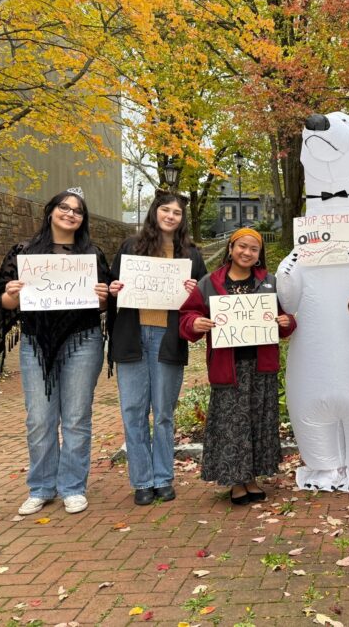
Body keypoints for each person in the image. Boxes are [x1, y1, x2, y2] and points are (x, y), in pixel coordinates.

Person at [0, 188, 110, 516]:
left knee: (75, 417)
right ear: (51, 211)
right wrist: (12, 293)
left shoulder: (91, 255)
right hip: (35, 343)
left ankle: (72, 486)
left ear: (83, 219)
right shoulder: (24, 252)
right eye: (64, 207)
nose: (70, 214)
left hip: (82, 341)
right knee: (40, 419)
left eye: (77, 211)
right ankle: (41, 487)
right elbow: (4, 302)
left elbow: (102, 304)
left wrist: (103, 296)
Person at [179, 228, 295, 505]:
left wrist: (287, 322)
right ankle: (235, 482)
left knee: (257, 421)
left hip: (260, 365)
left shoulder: (269, 282)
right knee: (231, 424)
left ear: (259, 255)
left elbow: (283, 317)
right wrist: (194, 323)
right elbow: (188, 315)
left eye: (253, 249)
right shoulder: (209, 282)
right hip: (228, 366)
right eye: (242, 246)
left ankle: (252, 477)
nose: (247, 252)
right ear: (231, 249)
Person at [107, 191, 207, 505]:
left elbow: (202, 300)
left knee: (163, 413)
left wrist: (195, 291)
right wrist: (114, 289)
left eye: (177, 213)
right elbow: (112, 288)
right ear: (155, 212)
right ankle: (141, 481)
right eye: (165, 210)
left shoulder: (191, 254)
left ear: (182, 219)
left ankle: (163, 477)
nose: (170, 216)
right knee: (134, 412)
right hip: (132, 336)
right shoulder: (130, 247)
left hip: (168, 339)